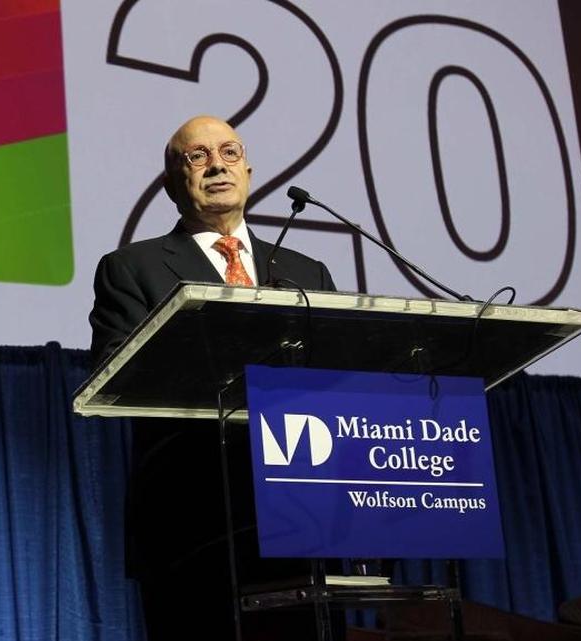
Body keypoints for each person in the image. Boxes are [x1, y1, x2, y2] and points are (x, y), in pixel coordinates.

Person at [89, 115, 337, 640]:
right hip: (194, 525)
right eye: (196, 156)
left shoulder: (308, 271)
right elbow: (119, 374)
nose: (216, 164)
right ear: (171, 184)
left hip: (303, 516)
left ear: (247, 169)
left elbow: (337, 383)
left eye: (228, 152)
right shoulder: (131, 268)